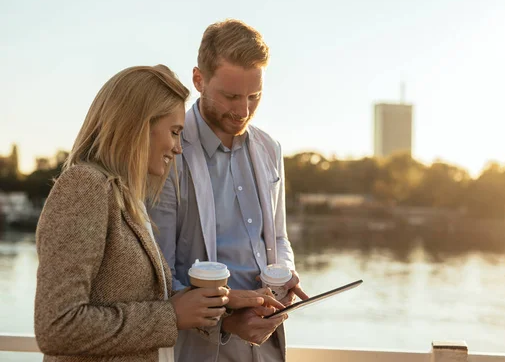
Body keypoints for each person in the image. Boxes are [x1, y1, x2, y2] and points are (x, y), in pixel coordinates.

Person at [34, 65, 275, 362]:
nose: (178, 148)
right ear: (137, 126)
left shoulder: (127, 198)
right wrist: (171, 315)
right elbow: (57, 326)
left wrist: (224, 303)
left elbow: (137, 301)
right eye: (174, 132)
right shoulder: (85, 186)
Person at [148, 19, 309, 362]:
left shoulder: (270, 148)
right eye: (231, 96)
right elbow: (158, 273)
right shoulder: (169, 151)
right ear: (198, 80)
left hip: (266, 343)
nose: (243, 111)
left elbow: (278, 239)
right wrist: (229, 318)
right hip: (199, 349)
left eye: (255, 96)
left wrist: (284, 274)